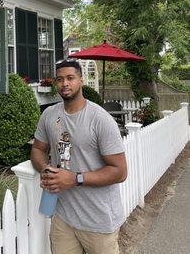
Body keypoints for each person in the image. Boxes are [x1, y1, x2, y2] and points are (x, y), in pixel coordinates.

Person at [31, 59, 127, 254]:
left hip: (99, 221)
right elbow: (38, 149)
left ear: (81, 80)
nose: (65, 83)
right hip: (63, 217)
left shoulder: (100, 119)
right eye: (59, 79)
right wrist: (45, 169)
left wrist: (75, 179)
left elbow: (120, 172)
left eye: (70, 78)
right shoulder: (49, 115)